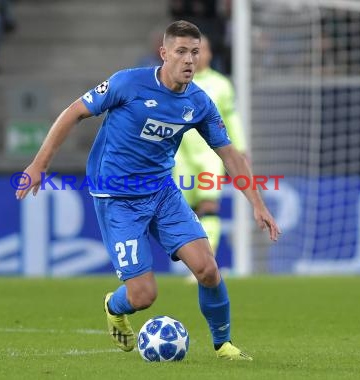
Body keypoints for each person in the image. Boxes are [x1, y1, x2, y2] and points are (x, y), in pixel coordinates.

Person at [15, 20, 280, 361]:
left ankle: (223, 345)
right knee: (142, 296)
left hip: (162, 193)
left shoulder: (199, 103)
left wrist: (257, 203)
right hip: (117, 198)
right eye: (181, 52)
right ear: (164, 53)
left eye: (195, 53)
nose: (189, 60)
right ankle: (114, 304)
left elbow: (229, 154)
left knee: (208, 270)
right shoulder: (128, 82)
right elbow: (73, 113)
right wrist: (39, 164)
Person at [173, 34, 246, 279]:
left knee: (209, 206)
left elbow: (231, 118)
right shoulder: (174, 82)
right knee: (187, 211)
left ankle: (206, 263)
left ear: (209, 54)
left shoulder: (221, 84)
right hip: (179, 156)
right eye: (189, 51)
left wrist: (241, 149)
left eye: (200, 50)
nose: (195, 56)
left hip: (210, 156)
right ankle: (196, 264)